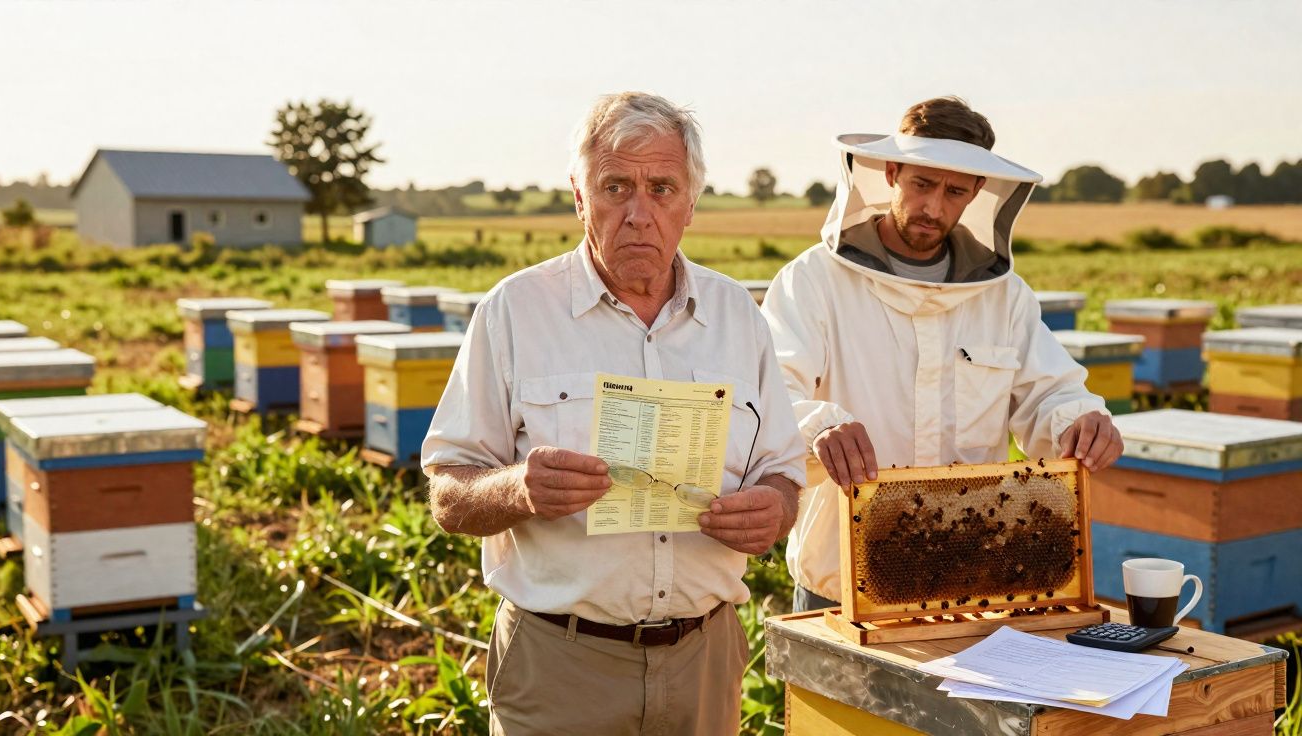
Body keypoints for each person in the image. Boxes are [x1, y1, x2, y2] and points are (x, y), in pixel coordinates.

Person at [422, 91, 805, 735]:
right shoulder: (514, 312)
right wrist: (520, 489)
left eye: (661, 188)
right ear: (579, 197)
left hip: (705, 659)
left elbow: (784, 473)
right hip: (559, 663)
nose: (639, 213)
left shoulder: (739, 316)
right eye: (616, 186)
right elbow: (448, 494)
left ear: (691, 204)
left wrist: (774, 507)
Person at [760, 96, 1124, 612]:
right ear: (891, 172)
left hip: (970, 575)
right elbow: (771, 391)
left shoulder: (1003, 297)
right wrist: (817, 427)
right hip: (838, 582)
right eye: (921, 185)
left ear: (977, 191)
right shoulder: (814, 281)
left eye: (954, 192)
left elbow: (1048, 394)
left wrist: (1079, 421)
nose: (933, 207)